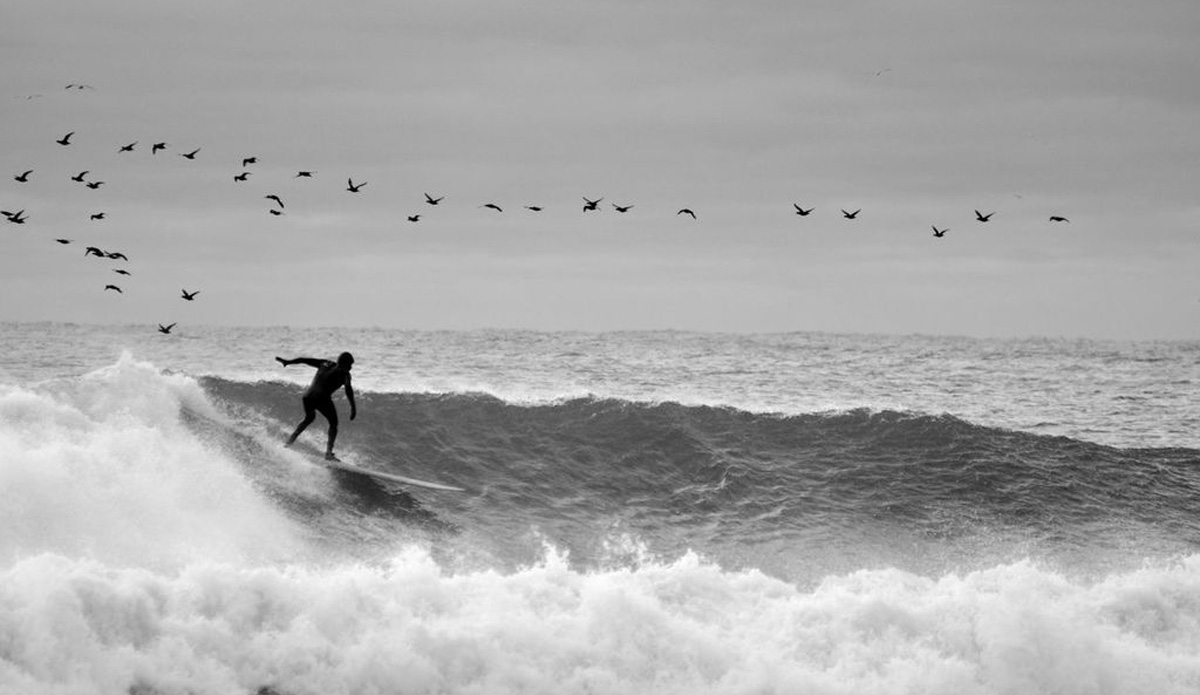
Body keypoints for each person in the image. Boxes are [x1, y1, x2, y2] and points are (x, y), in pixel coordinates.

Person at [276, 352, 357, 461]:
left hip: (308, 397)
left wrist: (288, 362)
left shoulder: (325, 363)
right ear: (344, 363)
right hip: (321, 398)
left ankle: (289, 443)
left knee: (309, 418)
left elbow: (304, 359)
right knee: (333, 423)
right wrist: (353, 407)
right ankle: (328, 453)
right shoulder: (345, 375)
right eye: (349, 365)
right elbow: (348, 390)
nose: (351, 368)